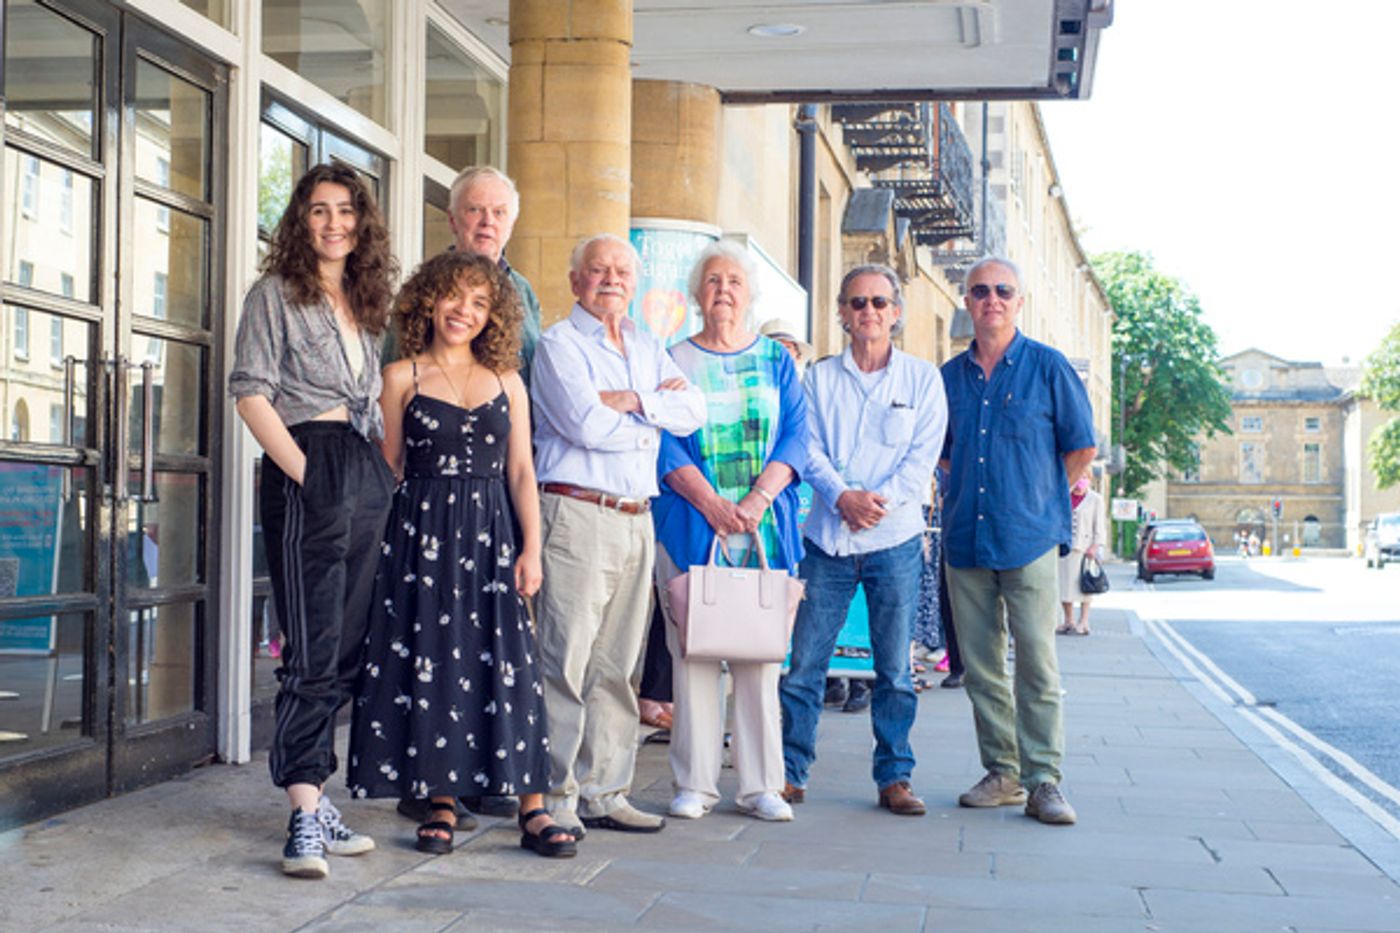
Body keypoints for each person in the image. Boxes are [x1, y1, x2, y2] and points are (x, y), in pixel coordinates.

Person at [345, 251, 576, 859]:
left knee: (511, 666)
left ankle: (533, 806)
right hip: (419, 537)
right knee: (435, 664)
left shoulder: (507, 380)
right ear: (430, 300)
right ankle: (441, 801)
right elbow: (390, 469)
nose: (464, 311)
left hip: (492, 535)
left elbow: (521, 471)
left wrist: (532, 549)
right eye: (454, 296)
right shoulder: (401, 377)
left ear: (493, 315)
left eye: (479, 303)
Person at [228, 163, 399, 878]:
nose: (334, 223)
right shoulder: (275, 293)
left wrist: (380, 476)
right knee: (312, 646)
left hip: (362, 469)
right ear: (301, 220)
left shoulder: (364, 299)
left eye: (346, 210)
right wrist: (308, 476)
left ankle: (317, 797)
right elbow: (251, 392)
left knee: (348, 647)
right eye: (320, 210)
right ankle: (302, 814)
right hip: (309, 462)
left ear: (363, 223)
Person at [531, 234, 706, 835]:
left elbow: (693, 412)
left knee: (618, 666)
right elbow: (583, 425)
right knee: (564, 661)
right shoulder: (559, 344)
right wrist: (653, 414)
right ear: (575, 280)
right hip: (578, 513)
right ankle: (554, 798)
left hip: (637, 515)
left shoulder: (646, 345)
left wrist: (630, 401)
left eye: (622, 272)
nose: (611, 280)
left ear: (634, 283)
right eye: (598, 270)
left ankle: (604, 792)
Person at [779, 264, 946, 816]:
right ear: (842, 313)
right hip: (827, 540)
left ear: (895, 313)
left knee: (895, 669)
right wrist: (841, 497)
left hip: (894, 540)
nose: (868, 311)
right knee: (805, 665)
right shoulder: (819, 379)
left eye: (878, 302)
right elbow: (805, 446)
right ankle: (790, 772)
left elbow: (922, 457)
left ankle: (895, 777)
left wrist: (875, 503)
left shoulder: (922, 380)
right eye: (857, 302)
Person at [652, 242, 809, 823]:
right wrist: (713, 504)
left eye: (734, 281)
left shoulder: (776, 360)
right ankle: (694, 783)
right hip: (693, 525)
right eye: (713, 280)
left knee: (759, 659)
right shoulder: (672, 360)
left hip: (765, 528)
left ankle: (761, 785)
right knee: (693, 655)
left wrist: (756, 499)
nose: (723, 290)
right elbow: (662, 439)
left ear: (750, 295)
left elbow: (797, 435)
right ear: (697, 293)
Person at [941, 257, 1096, 827]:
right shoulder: (948, 378)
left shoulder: (1049, 367)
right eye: (981, 291)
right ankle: (1003, 773)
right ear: (967, 301)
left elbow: (1082, 446)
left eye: (1003, 290)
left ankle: (1044, 780)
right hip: (966, 537)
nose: (992, 299)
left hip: (1029, 537)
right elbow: (941, 451)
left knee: (1036, 661)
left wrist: (1040, 495)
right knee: (982, 668)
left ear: (1019, 301)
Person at [1056, 469, 1108, 636]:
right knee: (1064, 586)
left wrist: (1095, 546)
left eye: (1084, 477)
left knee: (1086, 586)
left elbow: (1100, 526)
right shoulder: (1065, 495)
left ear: (1090, 479)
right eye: (1078, 476)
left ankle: (1084, 621)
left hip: (1085, 549)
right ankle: (1069, 620)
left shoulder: (1095, 499)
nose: (1081, 480)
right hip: (1065, 547)